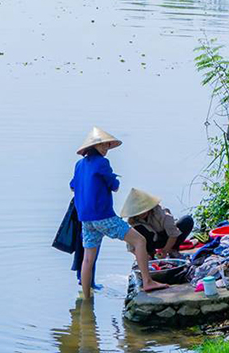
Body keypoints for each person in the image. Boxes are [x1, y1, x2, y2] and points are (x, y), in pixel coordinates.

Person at [69, 126, 169, 299]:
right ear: (95, 146)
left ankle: (86, 298)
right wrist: (114, 181)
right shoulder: (102, 162)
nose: (106, 148)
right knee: (140, 241)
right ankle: (148, 281)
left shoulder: (79, 165)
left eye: (108, 145)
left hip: (85, 219)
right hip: (103, 216)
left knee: (87, 259)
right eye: (104, 145)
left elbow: (72, 186)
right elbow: (114, 186)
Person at [120, 188, 194, 259]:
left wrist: (165, 251)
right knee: (139, 229)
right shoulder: (133, 222)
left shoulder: (161, 213)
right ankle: (150, 254)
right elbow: (131, 245)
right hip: (151, 242)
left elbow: (173, 234)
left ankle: (173, 249)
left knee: (187, 220)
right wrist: (142, 255)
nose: (141, 213)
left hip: (167, 237)